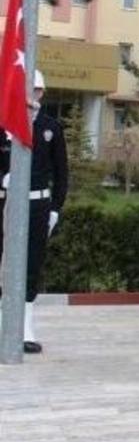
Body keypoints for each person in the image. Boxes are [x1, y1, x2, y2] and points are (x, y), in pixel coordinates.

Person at [0, 70, 68, 354]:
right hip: (5, 202)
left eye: (37, 90)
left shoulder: (51, 127)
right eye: (29, 90)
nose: (33, 95)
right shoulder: (4, 124)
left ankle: (25, 327)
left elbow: (61, 173)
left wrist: (55, 209)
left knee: (32, 263)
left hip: (38, 205)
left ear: (42, 93)